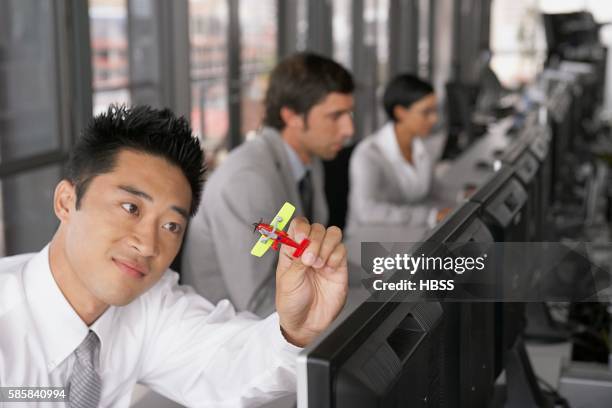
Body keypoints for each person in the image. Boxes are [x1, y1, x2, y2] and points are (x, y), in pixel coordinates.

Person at [0, 105, 348, 407]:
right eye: (130, 207)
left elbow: (227, 366)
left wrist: (295, 330)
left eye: (171, 226)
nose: (148, 245)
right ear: (65, 202)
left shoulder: (150, 305)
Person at [181, 52, 354, 316]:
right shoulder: (248, 182)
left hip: (286, 308)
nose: (348, 129)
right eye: (335, 116)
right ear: (292, 116)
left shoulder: (309, 160)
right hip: (235, 336)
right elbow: (256, 303)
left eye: (348, 114)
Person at [347, 74, 449, 231]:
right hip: (368, 241)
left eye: (434, 110)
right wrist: (429, 216)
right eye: (426, 112)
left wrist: (462, 197)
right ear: (401, 112)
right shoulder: (368, 154)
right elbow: (367, 211)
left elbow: (433, 189)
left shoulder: (422, 146)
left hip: (406, 232)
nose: (434, 119)